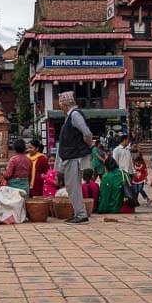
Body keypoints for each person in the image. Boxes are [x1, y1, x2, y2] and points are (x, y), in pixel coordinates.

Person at [56, 91, 92, 224]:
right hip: (72, 156)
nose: (60, 108)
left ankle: (81, 214)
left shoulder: (75, 115)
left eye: (60, 105)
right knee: (72, 186)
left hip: (75, 157)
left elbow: (87, 133)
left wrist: (86, 145)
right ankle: (79, 213)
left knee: (73, 187)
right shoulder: (69, 116)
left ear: (65, 104)